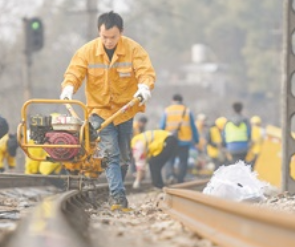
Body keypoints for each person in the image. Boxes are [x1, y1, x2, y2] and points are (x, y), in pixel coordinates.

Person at [60, 11, 156, 211]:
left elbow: (145, 71)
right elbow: (75, 72)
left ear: (121, 32)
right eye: (104, 37)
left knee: (123, 157)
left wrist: (145, 87)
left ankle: (117, 190)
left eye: (113, 37)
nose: (109, 41)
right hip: (99, 111)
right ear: (99, 32)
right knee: (111, 154)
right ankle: (118, 198)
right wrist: (68, 87)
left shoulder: (133, 49)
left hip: (125, 110)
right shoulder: (87, 51)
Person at [159, 93, 199, 183]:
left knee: (169, 159)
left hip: (171, 140)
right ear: (182, 101)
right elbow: (193, 127)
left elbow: (161, 126)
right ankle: (180, 179)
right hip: (184, 141)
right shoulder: (187, 111)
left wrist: (161, 140)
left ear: (172, 100)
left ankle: (170, 176)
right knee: (183, 161)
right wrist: (196, 140)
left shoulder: (167, 111)